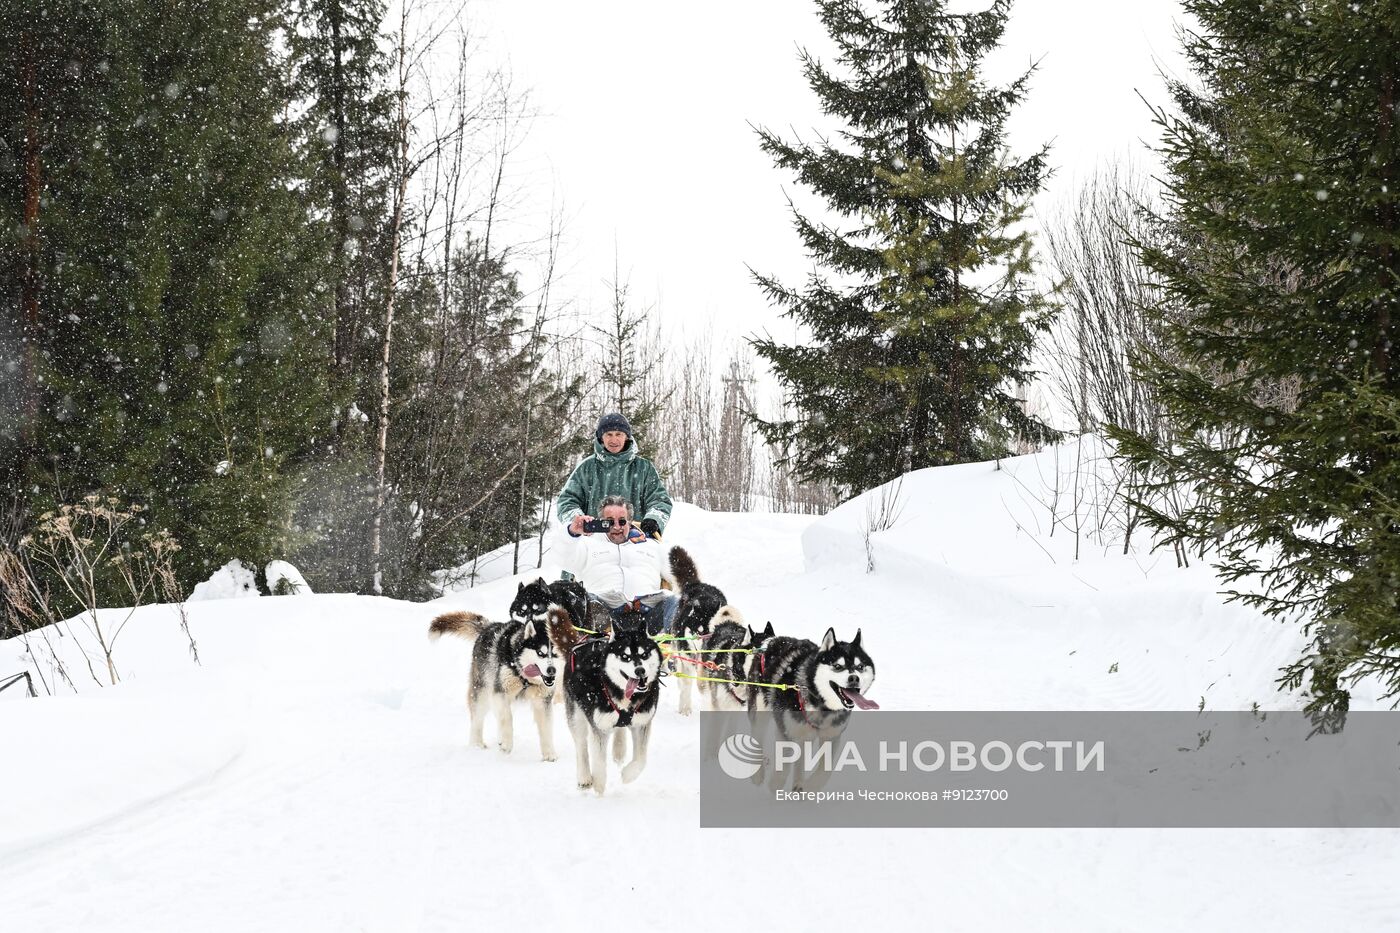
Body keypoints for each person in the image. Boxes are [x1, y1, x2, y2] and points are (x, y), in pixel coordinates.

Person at [554, 495, 679, 636]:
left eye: (622, 521)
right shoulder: (588, 544)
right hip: (605, 608)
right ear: (601, 521)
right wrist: (572, 533)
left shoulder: (651, 546)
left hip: (647, 612)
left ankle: (678, 646)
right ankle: (599, 638)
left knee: (674, 601)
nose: (616, 526)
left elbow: (680, 574)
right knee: (588, 601)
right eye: (610, 522)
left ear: (630, 521)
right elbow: (563, 559)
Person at [557, 412, 672, 542]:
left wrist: (653, 519)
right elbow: (566, 501)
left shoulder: (644, 467)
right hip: (594, 542)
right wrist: (580, 521)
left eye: (619, 434)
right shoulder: (586, 467)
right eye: (609, 434)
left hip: (636, 541)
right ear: (601, 437)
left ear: (627, 437)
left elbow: (660, 500)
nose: (614, 440)